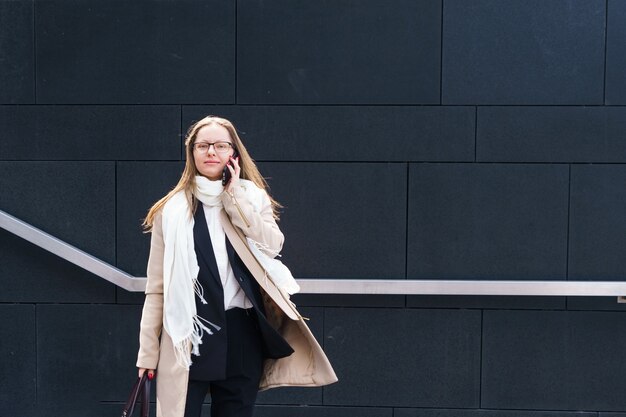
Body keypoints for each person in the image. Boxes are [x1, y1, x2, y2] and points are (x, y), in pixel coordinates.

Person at [136, 116, 337, 417]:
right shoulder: (171, 210)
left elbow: (272, 243)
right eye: (203, 145)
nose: (211, 152)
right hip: (189, 338)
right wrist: (147, 354)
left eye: (220, 145)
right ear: (192, 153)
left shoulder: (251, 198)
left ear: (233, 153)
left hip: (242, 334)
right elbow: (157, 290)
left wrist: (234, 196)